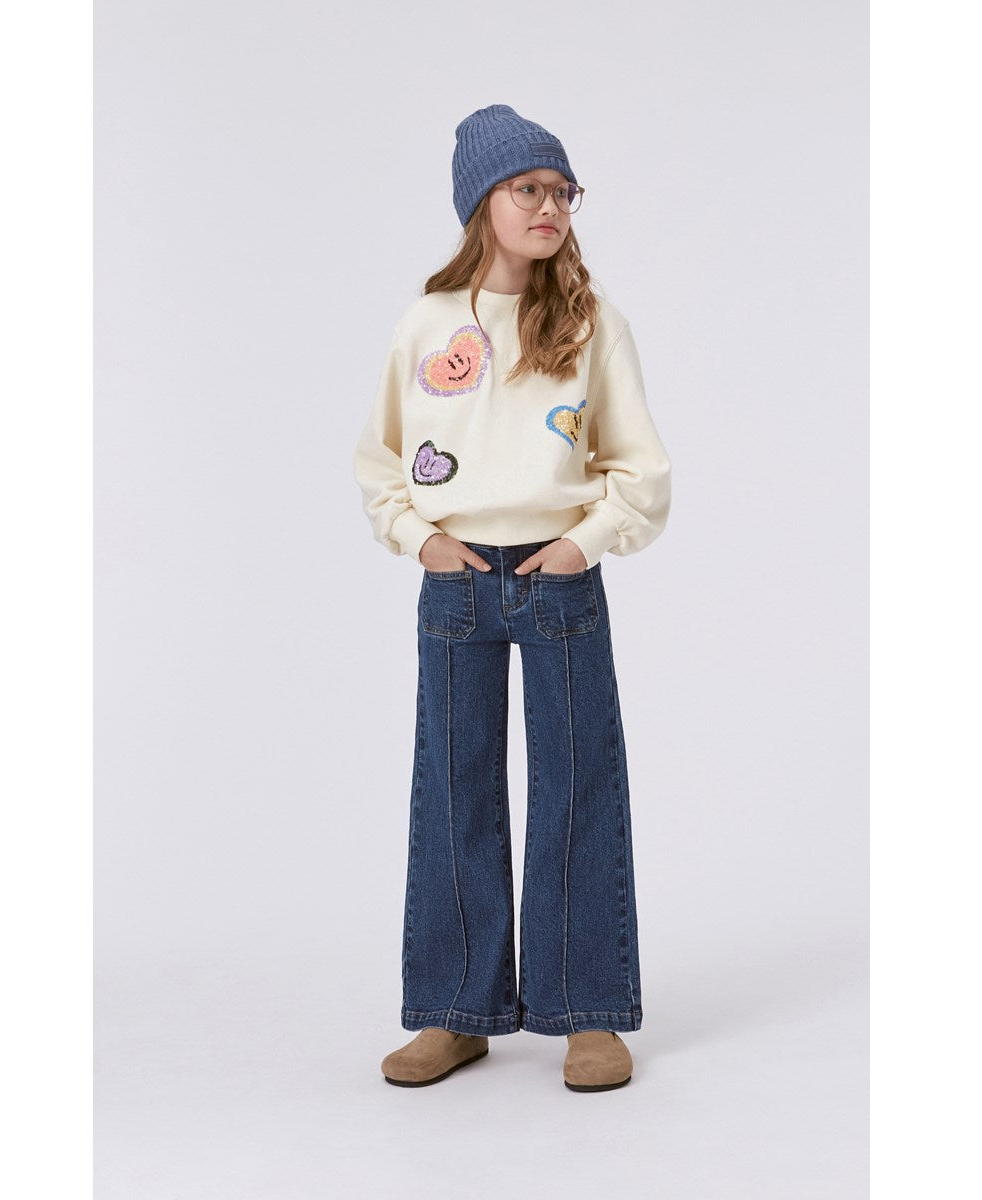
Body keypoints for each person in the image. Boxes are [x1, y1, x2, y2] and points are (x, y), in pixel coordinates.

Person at [352, 103, 672, 1092]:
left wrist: (583, 544)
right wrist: (421, 540)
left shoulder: (590, 323)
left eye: (562, 191)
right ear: (480, 204)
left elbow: (640, 468)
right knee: (453, 789)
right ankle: (456, 1011)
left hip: (557, 579)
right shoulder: (426, 325)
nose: (550, 207)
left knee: (578, 784)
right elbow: (381, 460)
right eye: (527, 188)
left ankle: (587, 1010)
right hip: (456, 583)